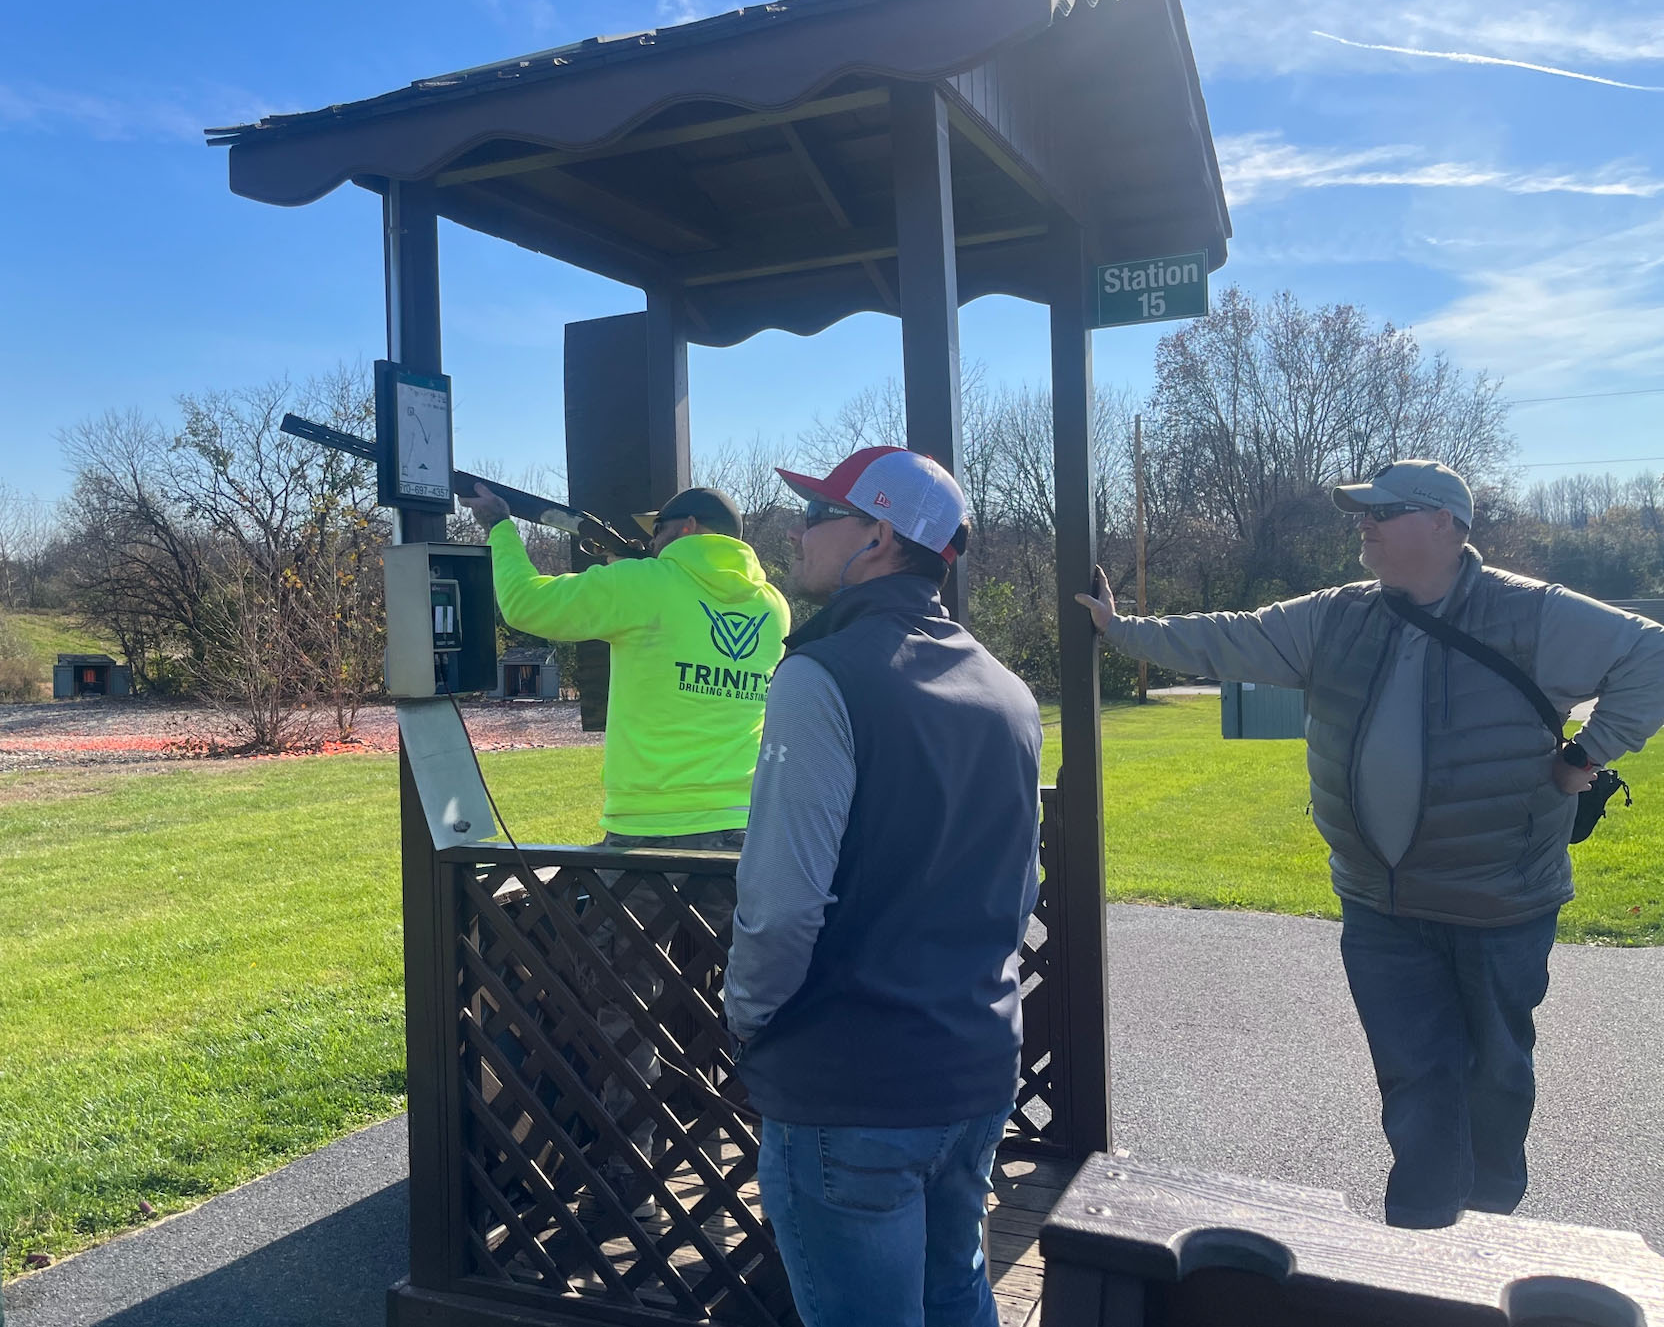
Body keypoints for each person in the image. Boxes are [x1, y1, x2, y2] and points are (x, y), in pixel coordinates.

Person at [1074, 459, 1664, 1229]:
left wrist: (1587, 753)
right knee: (1413, 1077)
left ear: (1445, 524)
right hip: (1379, 906)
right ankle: (1420, 1224)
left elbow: (1652, 655)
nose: (1365, 523)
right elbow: (1231, 639)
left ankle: (1489, 1229)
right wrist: (1121, 630)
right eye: (1363, 511)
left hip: (1500, 902)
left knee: (1496, 1074)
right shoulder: (1336, 615)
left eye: (1383, 511)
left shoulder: (1533, 613)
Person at [724, 446, 1042, 1327]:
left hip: (849, 1084)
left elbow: (782, 905)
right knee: (957, 1297)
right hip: (975, 1067)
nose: (797, 532)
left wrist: (747, 1015)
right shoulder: (1009, 694)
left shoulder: (820, 675)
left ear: (878, 538)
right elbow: (1021, 891)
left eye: (817, 514)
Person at [459, 481, 789, 1215]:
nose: (651, 540)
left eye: (660, 528)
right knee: (750, 1001)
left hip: (646, 835)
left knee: (623, 1003)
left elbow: (527, 605)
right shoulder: (771, 606)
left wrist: (501, 528)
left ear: (688, 526)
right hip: (741, 836)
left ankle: (630, 1176)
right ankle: (773, 1168)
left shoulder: (645, 585)